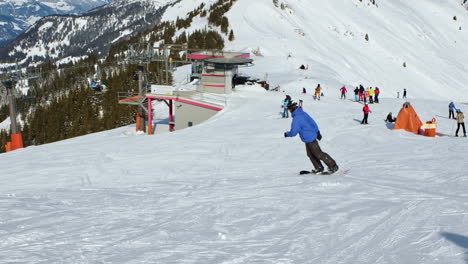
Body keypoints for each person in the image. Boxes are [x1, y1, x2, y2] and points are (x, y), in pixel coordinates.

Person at [284, 102, 339, 174]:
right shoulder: (303, 113)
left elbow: (294, 132)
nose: (289, 111)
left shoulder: (296, 118)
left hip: (309, 138)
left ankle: (333, 165)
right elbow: (312, 122)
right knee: (310, 154)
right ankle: (318, 167)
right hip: (310, 136)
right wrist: (317, 131)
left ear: (292, 109)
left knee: (318, 153)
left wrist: (287, 134)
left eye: (289, 110)